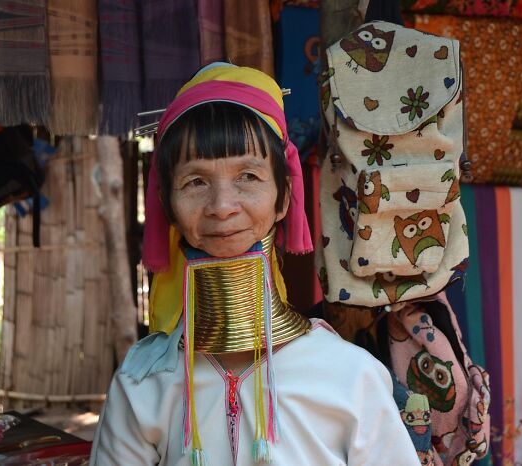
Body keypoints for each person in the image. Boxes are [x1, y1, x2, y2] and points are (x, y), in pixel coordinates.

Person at [90, 63, 420, 466]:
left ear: (284, 197)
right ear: (167, 206)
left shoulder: (350, 375)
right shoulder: (143, 382)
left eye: (248, 176)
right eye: (195, 182)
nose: (222, 207)